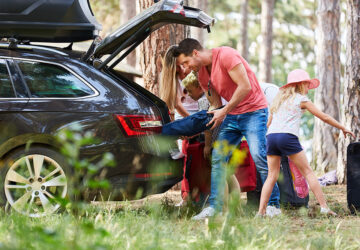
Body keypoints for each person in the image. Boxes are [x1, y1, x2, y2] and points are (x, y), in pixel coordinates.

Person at [173, 38, 281, 220]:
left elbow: (245, 87)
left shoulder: (226, 55)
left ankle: (273, 205)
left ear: (195, 53)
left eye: (186, 62)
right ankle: (215, 207)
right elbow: (215, 103)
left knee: (259, 157)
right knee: (218, 158)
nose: (185, 68)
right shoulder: (201, 75)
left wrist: (224, 111)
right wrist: (198, 125)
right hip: (232, 116)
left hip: (254, 112)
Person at [257, 69, 355, 217]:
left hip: (271, 137)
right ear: (301, 84)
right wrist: (342, 127)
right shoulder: (301, 99)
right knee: (308, 172)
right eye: (308, 84)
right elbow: (324, 117)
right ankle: (324, 207)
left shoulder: (278, 100)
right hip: (287, 137)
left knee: (271, 176)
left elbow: (269, 123)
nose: (309, 87)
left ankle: (260, 212)